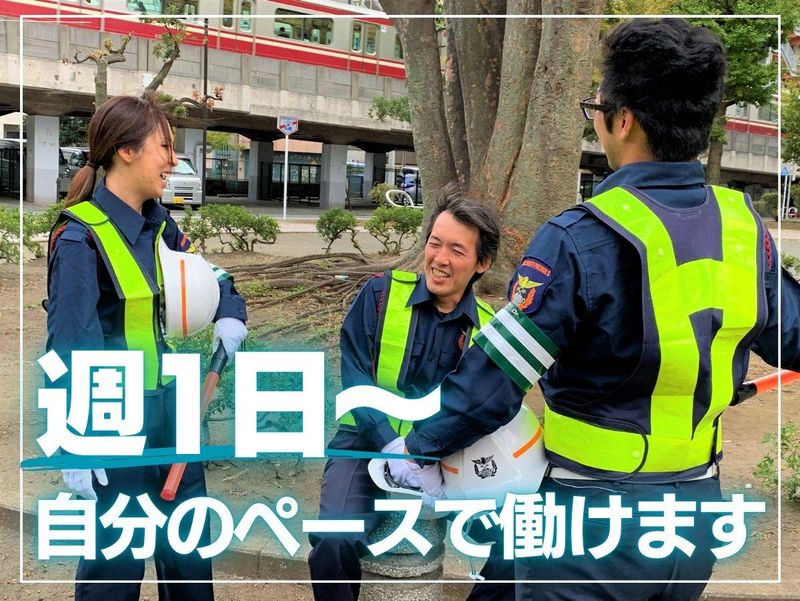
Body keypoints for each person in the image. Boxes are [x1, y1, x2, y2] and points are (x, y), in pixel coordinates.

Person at [401, 18, 800, 601]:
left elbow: (495, 380)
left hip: (591, 528)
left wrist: (417, 447)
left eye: (597, 108)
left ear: (624, 118)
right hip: (694, 522)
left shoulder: (579, 238)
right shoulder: (744, 231)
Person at [46, 94, 248, 601]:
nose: (174, 160)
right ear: (127, 151)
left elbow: (210, 274)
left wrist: (229, 310)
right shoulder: (79, 238)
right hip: (115, 424)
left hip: (173, 418)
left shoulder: (161, 226)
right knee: (113, 573)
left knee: (189, 566)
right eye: (165, 147)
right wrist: (76, 439)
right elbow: (69, 346)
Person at [308, 189, 514, 600]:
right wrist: (390, 445)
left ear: (483, 262)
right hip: (365, 442)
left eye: (457, 250)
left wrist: (429, 452)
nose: (440, 259)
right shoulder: (381, 295)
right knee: (333, 537)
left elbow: (488, 404)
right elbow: (355, 375)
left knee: (518, 543)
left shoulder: (490, 328)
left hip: (452, 457)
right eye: (435, 243)